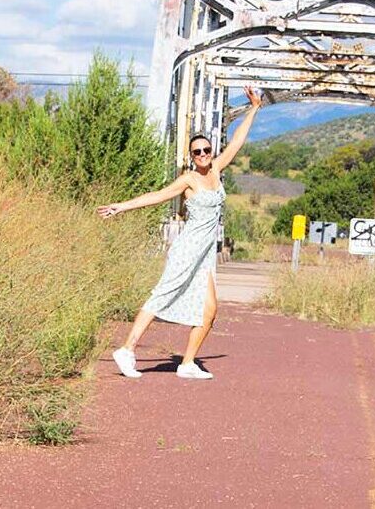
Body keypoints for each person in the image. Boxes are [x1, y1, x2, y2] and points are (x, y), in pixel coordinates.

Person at [97, 87, 263, 380]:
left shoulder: (216, 170)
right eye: (197, 151)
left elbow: (236, 143)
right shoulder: (188, 180)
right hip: (188, 248)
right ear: (190, 156)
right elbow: (156, 196)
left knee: (210, 310)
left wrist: (254, 108)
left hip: (205, 254)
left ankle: (187, 363)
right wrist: (120, 207)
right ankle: (126, 349)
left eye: (206, 150)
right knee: (162, 295)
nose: (202, 155)